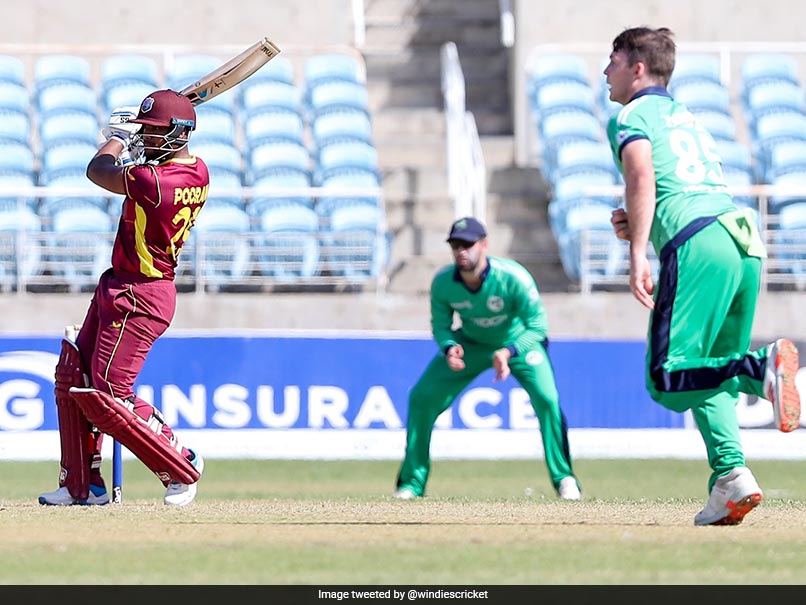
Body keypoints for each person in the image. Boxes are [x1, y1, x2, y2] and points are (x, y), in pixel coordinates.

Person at [604, 27, 801, 526]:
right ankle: (730, 479)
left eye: (614, 60)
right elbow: (676, 183)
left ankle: (758, 369)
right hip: (742, 238)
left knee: (667, 377)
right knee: (709, 368)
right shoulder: (686, 115)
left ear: (638, 68)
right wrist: (639, 219)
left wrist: (636, 253)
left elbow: (642, 177)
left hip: (698, 243)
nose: (606, 71)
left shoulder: (631, 114)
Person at [39, 89, 210, 507]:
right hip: (119, 282)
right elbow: (139, 165)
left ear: (177, 133)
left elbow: (98, 170)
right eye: (145, 132)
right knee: (73, 373)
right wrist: (139, 142)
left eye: (154, 133)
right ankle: (83, 486)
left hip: (141, 294)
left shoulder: (151, 181)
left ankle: (181, 464)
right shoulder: (198, 171)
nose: (148, 139)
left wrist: (117, 138)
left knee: (111, 392)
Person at [393, 217, 582, 501]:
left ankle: (564, 479)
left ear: (484, 245)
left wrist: (508, 351)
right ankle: (411, 484)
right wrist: (449, 347)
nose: (461, 251)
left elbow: (538, 327)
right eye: (456, 245)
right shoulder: (444, 282)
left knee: (548, 400)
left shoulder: (512, 277)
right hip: (470, 344)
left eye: (468, 244)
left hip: (517, 343)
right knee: (421, 398)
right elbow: (441, 324)